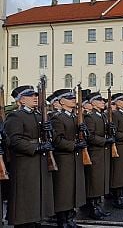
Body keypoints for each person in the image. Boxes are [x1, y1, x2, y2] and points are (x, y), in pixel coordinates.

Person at [4, 85, 55, 227]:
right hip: (25, 163)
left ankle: (35, 220)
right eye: (30, 95)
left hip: (38, 161)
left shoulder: (38, 115)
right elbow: (14, 140)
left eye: (36, 95)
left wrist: (50, 131)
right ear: (20, 100)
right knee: (24, 199)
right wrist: (36, 147)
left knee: (36, 197)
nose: (35, 97)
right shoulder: (16, 116)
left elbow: (49, 138)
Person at [50, 89, 87, 227]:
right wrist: (75, 145)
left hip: (74, 157)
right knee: (64, 190)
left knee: (73, 189)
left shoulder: (74, 117)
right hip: (64, 158)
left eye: (73, 97)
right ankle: (63, 220)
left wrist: (84, 132)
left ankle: (71, 218)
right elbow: (57, 140)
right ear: (61, 102)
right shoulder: (58, 118)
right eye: (69, 98)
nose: (73, 99)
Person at [83, 92, 113, 220]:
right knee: (94, 182)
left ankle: (98, 206)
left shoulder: (103, 116)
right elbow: (90, 136)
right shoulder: (90, 117)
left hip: (103, 152)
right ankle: (92, 208)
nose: (103, 102)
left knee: (100, 181)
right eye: (100, 100)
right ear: (93, 103)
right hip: (95, 152)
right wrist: (104, 141)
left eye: (103, 100)